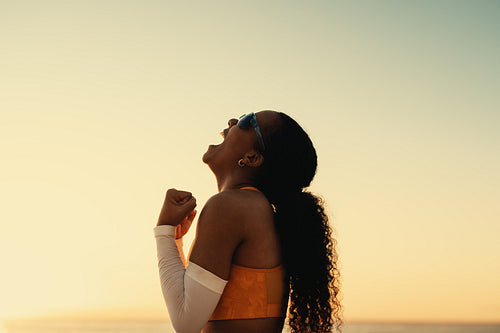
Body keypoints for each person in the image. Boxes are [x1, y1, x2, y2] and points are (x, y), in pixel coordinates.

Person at [154, 110, 342, 333]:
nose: (232, 121)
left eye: (246, 120)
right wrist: (175, 239)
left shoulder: (231, 206)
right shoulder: (257, 210)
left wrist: (164, 231)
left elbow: (186, 322)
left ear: (252, 158)